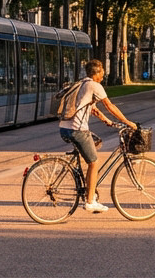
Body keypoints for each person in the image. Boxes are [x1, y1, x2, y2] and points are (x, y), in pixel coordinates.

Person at [58, 60, 136, 213]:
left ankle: (89, 192)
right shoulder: (95, 85)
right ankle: (89, 201)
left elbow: (92, 108)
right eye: (102, 73)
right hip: (77, 129)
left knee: (93, 149)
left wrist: (106, 121)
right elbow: (109, 105)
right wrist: (127, 122)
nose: (103, 76)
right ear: (97, 73)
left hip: (65, 128)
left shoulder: (83, 84)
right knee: (94, 163)